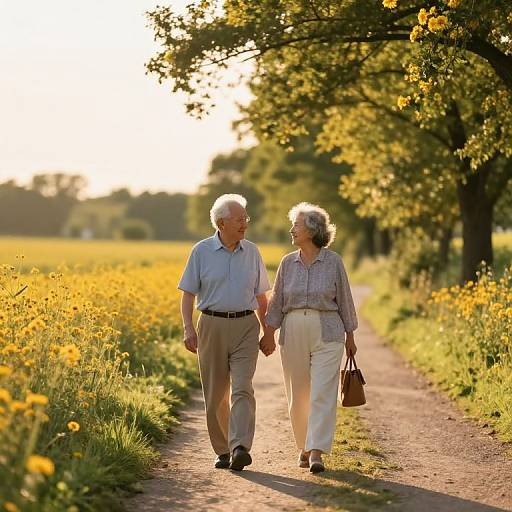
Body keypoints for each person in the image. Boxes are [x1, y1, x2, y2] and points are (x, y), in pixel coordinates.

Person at [260, 202, 358, 473]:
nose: (292, 229)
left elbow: (346, 301)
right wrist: (268, 332)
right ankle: (303, 446)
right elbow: (277, 301)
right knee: (298, 393)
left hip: (328, 330)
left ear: (312, 230)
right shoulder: (287, 263)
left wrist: (351, 336)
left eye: (297, 225)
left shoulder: (334, 262)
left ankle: (316, 451)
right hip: (292, 330)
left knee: (322, 393)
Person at [178, 193, 270, 471]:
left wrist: (268, 333)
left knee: (243, 387)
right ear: (221, 223)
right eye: (239, 219)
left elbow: (262, 297)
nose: (245, 224)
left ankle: (240, 445)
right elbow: (187, 295)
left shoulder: (252, 251)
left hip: (245, 325)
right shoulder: (201, 251)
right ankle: (223, 450)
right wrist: (188, 328)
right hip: (211, 325)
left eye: (246, 218)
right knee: (216, 392)